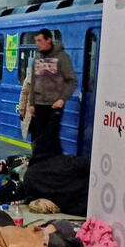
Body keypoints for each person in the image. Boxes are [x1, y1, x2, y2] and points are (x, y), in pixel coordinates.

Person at [19, 28, 77, 157]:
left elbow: (71, 80)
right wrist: (32, 104)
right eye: (36, 41)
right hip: (39, 106)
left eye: (39, 40)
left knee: (51, 137)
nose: (37, 43)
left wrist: (62, 99)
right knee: (40, 138)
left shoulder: (61, 57)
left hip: (54, 105)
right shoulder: (37, 60)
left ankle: (54, 163)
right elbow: (33, 83)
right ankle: (42, 164)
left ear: (48, 40)